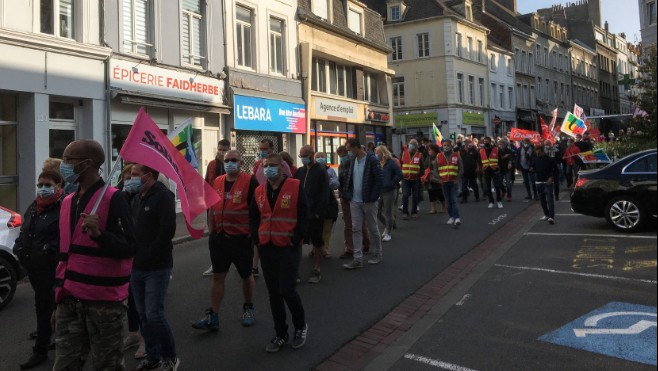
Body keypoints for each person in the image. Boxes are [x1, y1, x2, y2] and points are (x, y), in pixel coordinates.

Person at [53, 139, 136, 370]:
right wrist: (57, 301)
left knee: (107, 365)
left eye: (68, 159)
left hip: (104, 304)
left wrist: (100, 234)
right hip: (69, 301)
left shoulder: (114, 198)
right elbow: (64, 255)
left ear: (87, 163)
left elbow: (129, 247)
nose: (64, 164)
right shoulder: (68, 201)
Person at [193, 150, 258, 331]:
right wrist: (212, 230)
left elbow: (256, 210)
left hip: (241, 238)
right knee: (218, 276)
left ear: (240, 162)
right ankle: (213, 315)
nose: (230, 163)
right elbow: (212, 207)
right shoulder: (218, 181)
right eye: (227, 160)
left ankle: (248, 308)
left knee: (245, 275)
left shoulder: (250, 181)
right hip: (220, 238)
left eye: (234, 160)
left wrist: (252, 234)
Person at [249, 153, 308, 352]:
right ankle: (280, 333)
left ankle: (300, 327)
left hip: (288, 247)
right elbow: (254, 217)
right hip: (267, 247)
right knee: (274, 293)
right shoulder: (259, 190)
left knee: (287, 290)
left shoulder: (295, 186)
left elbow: (304, 214)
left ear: (282, 167)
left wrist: (295, 238)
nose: (268, 169)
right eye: (266, 165)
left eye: (273, 165)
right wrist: (257, 239)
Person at [128, 164, 179, 371]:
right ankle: (153, 355)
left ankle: (170, 356)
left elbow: (167, 230)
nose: (130, 178)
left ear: (148, 176)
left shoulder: (163, 196)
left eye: (134, 175)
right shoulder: (137, 197)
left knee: (154, 314)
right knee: (143, 315)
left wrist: (150, 254)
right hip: (136, 266)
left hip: (156, 266)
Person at [13, 170, 62, 369]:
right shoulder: (35, 206)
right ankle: (51, 336)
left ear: (58, 185)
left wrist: (47, 249)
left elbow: (63, 238)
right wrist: (18, 245)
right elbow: (26, 229)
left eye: (47, 184)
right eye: (40, 184)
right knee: (47, 307)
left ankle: (40, 350)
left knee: (43, 306)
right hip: (33, 266)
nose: (42, 188)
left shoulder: (63, 207)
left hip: (50, 268)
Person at [252, 139, 293, 278]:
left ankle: (288, 269)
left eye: (265, 148)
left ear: (271, 148)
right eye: (260, 148)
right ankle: (255, 266)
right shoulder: (258, 164)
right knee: (260, 235)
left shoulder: (283, 164)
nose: (262, 151)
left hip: (280, 204)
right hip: (262, 203)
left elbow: (289, 183)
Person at [341, 138, 384, 269]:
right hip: (355, 200)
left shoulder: (371, 160)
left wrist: (373, 196)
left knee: (372, 228)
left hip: (368, 201)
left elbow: (379, 180)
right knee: (356, 229)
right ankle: (357, 259)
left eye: (349, 150)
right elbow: (349, 178)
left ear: (356, 148)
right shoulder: (352, 161)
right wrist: (347, 193)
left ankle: (378, 254)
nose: (348, 153)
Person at [120, 164, 147, 360]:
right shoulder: (123, 197)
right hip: (127, 256)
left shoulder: (149, 196)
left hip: (145, 257)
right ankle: (132, 333)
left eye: (134, 176)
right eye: (128, 177)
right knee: (131, 298)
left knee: (144, 301)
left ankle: (147, 339)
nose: (130, 180)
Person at [295, 145, 330, 284]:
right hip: (300, 214)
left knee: (317, 241)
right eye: (301, 156)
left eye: (306, 155)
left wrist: (317, 213)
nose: (303, 158)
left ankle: (317, 269)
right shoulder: (299, 172)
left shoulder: (321, 172)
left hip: (314, 213)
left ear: (312, 155)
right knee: (297, 241)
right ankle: (295, 270)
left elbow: (324, 194)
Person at [202, 140, 231, 277]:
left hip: (229, 206)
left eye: (225, 149)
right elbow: (207, 183)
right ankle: (215, 264)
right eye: (220, 149)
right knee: (213, 235)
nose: (222, 152)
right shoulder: (213, 164)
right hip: (214, 206)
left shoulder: (231, 164)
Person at [336, 145, 370, 259]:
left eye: (344, 155)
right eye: (340, 156)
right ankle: (350, 248)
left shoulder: (355, 164)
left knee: (359, 223)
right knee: (348, 224)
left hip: (354, 197)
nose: (342, 158)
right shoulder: (342, 166)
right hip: (345, 197)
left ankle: (365, 244)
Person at [313, 151, 340, 259]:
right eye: (318, 157)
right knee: (316, 228)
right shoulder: (311, 170)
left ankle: (325, 249)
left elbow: (336, 184)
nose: (320, 158)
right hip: (315, 203)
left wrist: (326, 181)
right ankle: (316, 248)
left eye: (322, 157)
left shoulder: (331, 170)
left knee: (327, 228)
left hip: (329, 202)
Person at [376, 145, 402, 242]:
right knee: (377, 212)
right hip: (380, 191)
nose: (376, 154)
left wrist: (391, 183)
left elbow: (399, 174)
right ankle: (387, 226)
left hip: (389, 190)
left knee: (388, 212)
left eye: (378, 152)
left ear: (383, 153)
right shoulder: (378, 163)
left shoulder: (391, 162)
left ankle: (388, 232)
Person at [438, 139, 462, 226]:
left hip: (453, 182)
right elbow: (436, 170)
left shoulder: (456, 155)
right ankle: (451, 217)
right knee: (448, 201)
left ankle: (457, 218)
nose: (446, 147)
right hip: (444, 182)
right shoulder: (439, 156)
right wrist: (439, 179)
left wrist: (457, 178)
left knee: (454, 200)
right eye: (444, 145)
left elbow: (461, 168)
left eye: (448, 145)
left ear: (451, 146)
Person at [531, 145, 557, 224]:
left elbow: (555, 170)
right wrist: (532, 169)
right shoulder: (535, 159)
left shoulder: (550, 159)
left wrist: (551, 177)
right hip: (539, 182)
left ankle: (551, 217)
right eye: (536, 152)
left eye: (539, 152)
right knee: (542, 201)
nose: (537, 154)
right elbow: (533, 168)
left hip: (547, 182)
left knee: (550, 200)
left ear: (542, 151)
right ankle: (546, 214)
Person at [400, 138, 424, 219]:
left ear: (416, 146)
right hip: (405, 179)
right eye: (410, 143)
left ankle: (414, 212)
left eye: (413, 144)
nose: (411, 145)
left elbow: (422, 168)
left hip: (415, 179)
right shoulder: (403, 153)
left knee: (415, 196)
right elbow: (400, 165)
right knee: (405, 195)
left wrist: (418, 175)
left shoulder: (419, 155)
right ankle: (405, 213)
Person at [480, 137, 504, 209]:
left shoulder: (496, 149)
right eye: (485, 141)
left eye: (487, 141)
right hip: (486, 170)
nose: (486, 143)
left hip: (495, 170)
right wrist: (481, 168)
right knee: (488, 188)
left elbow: (500, 159)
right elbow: (479, 160)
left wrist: (499, 167)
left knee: (497, 187)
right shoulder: (481, 150)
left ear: (490, 142)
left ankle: (499, 201)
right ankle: (491, 202)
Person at [422, 144, 446, 214]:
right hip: (430, 178)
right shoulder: (428, 158)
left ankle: (443, 207)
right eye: (428, 150)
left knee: (439, 193)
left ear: (434, 150)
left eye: (430, 150)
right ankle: (433, 208)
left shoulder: (439, 157)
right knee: (431, 193)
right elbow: (425, 166)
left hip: (438, 178)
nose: (429, 151)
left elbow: (442, 166)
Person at [459, 138, 480, 203]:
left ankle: (477, 197)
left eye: (468, 142)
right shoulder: (461, 150)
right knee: (464, 185)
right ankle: (464, 198)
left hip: (472, 170)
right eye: (465, 142)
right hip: (464, 171)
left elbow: (478, 159)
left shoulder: (474, 150)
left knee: (474, 184)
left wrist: (477, 167)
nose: (467, 143)